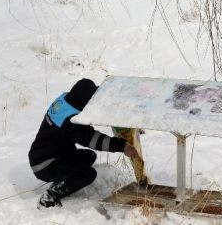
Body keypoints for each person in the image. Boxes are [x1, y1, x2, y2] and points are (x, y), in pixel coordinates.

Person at [28, 78, 140, 208]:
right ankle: (51, 196)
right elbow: (92, 139)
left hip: (49, 154)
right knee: (87, 174)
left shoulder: (66, 99)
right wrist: (122, 146)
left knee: (88, 156)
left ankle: (63, 179)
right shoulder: (70, 121)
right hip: (44, 164)